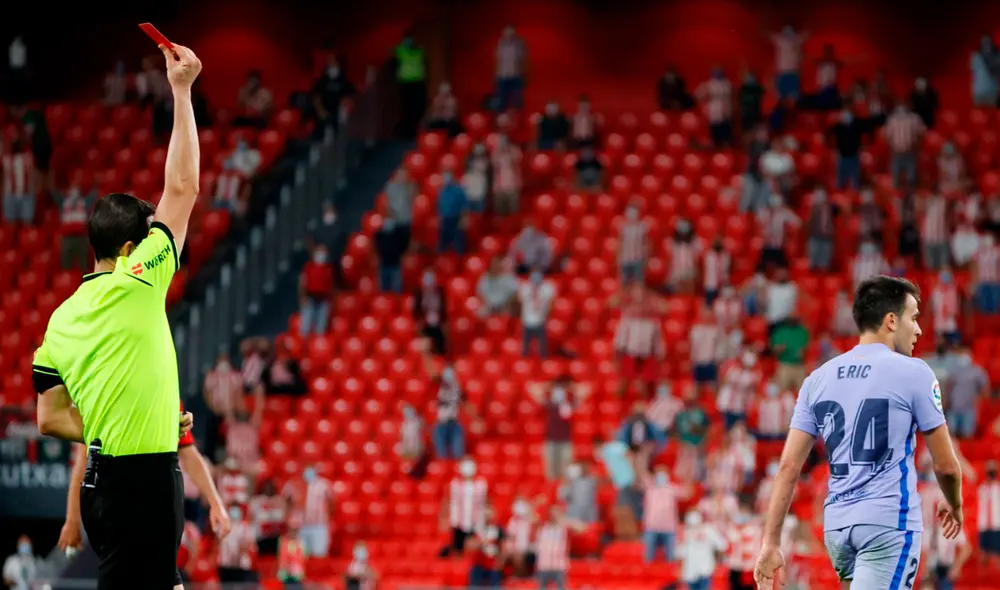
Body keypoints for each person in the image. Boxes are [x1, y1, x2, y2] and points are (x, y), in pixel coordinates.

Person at [32, 43, 202, 590]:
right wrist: (181, 90)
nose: (163, 238)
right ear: (130, 248)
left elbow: (49, 418)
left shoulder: (59, 321)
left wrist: (126, 420)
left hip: (103, 487)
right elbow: (182, 188)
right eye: (151, 231)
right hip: (143, 481)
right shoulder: (137, 281)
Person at [754, 275, 965, 590]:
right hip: (888, 523)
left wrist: (770, 543)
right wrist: (955, 503)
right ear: (891, 320)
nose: (919, 329)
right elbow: (946, 466)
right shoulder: (914, 372)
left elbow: (788, 467)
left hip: (838, 528)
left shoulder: (817, 379)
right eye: (914, 317)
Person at [58, 403, 230, 558]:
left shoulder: (164, 388)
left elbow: (189, 453)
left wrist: (215, 502)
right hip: (116, 511)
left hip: (156, 510)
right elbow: (83, 460)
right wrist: (72, 519)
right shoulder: (106, 388)